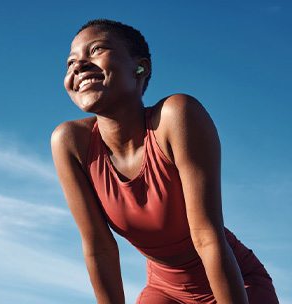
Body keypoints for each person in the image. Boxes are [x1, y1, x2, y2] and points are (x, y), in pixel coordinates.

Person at [51, 19, 279, 304]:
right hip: (164, 291)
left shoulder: (176, 117)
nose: (78, 66)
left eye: (96, 50)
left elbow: (207, 236)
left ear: (141, 68)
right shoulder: (70, 142)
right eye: (70, 62)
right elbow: (99, 248)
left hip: (235, 284)